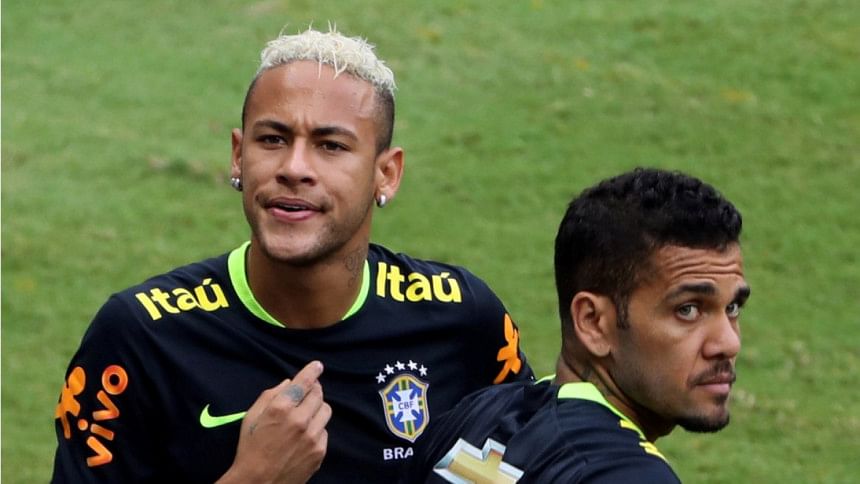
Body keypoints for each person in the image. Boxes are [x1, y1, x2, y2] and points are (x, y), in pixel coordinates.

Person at [52, 27, 533, 483]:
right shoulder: (140, 340)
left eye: (331, 145)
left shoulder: (462, 320)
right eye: (272, 139)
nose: (294, 167)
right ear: (238, 156)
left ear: (386, 174)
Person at [402, 167, 750, 483]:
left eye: (732, 307)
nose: (728, 342)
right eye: (688, 310)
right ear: (593, 322)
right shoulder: (625, 474)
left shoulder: (474, 418)